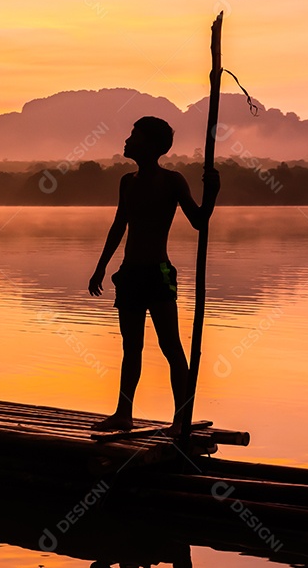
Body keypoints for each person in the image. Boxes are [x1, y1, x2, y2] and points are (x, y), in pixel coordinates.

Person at [88, 116, 220, 433]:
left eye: (135, 135)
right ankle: (124, 413)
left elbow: (199, 221)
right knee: (130, 347)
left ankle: (181, 418)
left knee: (171, 346)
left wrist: (213, 193)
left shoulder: (172, 181)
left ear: (151, 145)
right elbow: (120, 225)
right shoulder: (127, 181)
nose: (128, 139)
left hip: (158, 274)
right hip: (130, 274)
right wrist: (101, 267)